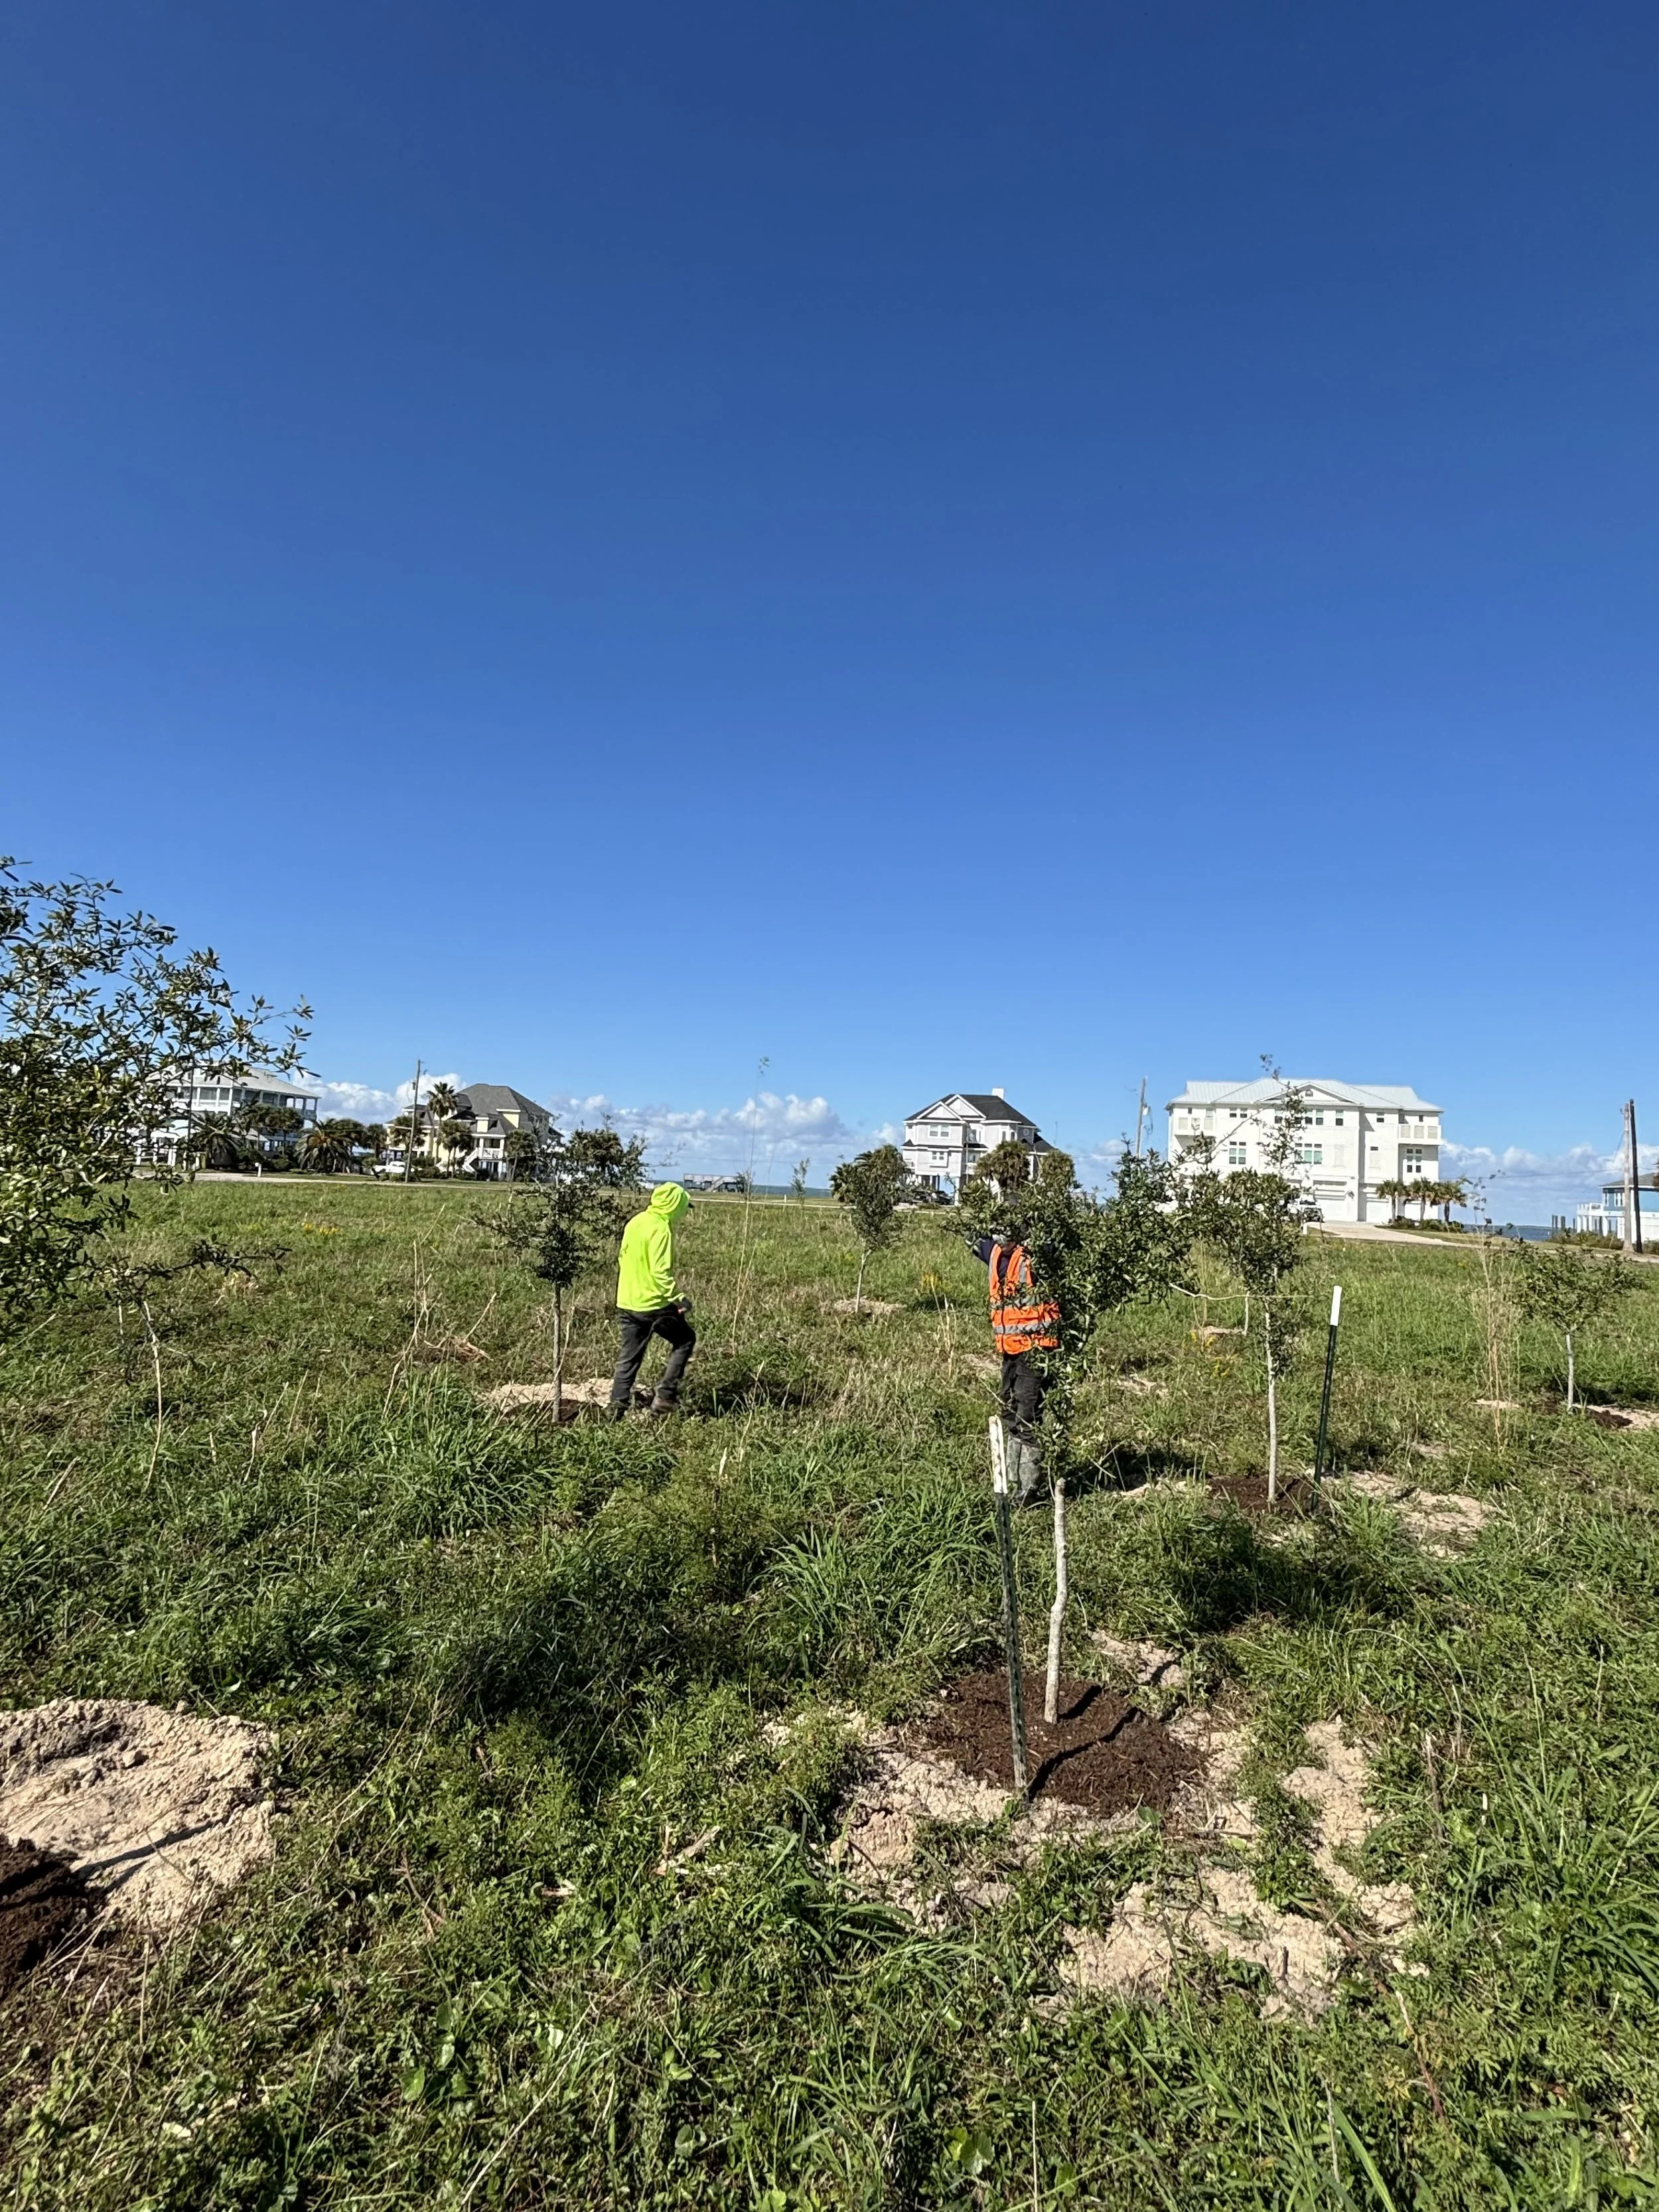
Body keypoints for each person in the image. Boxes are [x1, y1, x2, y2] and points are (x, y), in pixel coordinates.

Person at [972, 1226, 1059, 1501]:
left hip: (1037, 1348)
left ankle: (1030, 1489)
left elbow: (1056, 1246)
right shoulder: (995, 1252)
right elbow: (973, 1235)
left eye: (1007, 1232)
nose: (1001, 1239)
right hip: (1010, 1349)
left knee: (1028, 1415)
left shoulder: (1036, 1253)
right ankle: (1012, 1482)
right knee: (1010, 1411)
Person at [609, 1182, 696, 1417]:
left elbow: (622, 1257)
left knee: (628, 1360)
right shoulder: (661, 1229)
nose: (684, 1213)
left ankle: (615, 1413)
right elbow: (660, 1272)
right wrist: (679, 1300)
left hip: (627, 1301)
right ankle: (666, 1397)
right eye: (683, 1207)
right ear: (674, 1205)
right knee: (686, 1339)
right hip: (653, 1304)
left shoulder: (636, 1222)